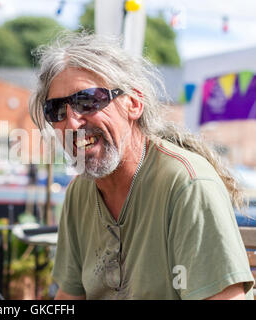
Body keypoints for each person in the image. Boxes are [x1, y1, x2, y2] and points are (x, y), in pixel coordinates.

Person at [28, 33, 255, 300]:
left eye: (86, 101)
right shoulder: (80, 192)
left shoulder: (187, 185)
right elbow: (69, 296)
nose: (72, 123)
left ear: (134, 104)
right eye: (56, 110)